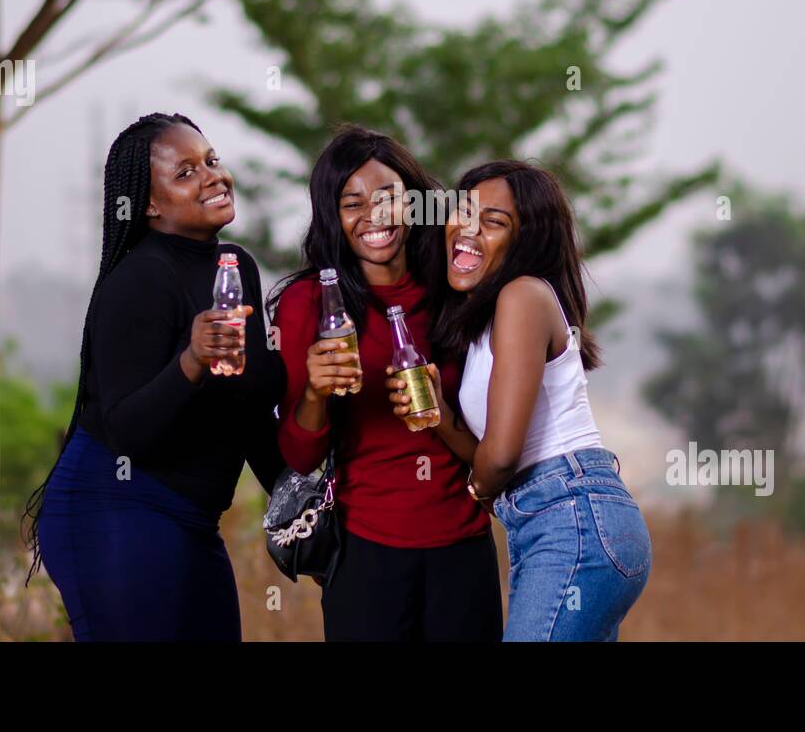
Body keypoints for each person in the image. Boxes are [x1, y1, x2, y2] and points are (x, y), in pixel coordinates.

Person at [23, 112, 284, 641]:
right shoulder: (140, 280)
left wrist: (298, 506)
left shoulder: (235, 267)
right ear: (149, 203)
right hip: (112, 506)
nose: (213, 176)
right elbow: (127, 434)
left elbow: (248, 409)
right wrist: (191, 360)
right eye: (185, 172)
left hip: (191, 517)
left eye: (211, 161)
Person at [391, 160, 651, 641]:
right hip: (561, 522)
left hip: (572, 520)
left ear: (525, 241)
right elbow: (492, 452)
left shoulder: (522, 296)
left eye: (493, 222)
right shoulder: (489, 319)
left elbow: (502, 457)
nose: (467, 230)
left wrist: (476, 492)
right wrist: (439, 417)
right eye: (463, 212)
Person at [271, 125, 502, 642]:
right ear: (333, 215)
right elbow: (300, 456)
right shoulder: (309, 303)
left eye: (388, 197)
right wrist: (314, 394)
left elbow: (496, 427)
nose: (374, 216)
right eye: (352, 203)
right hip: (365, 550)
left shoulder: (455, 287)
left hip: (462, 546)